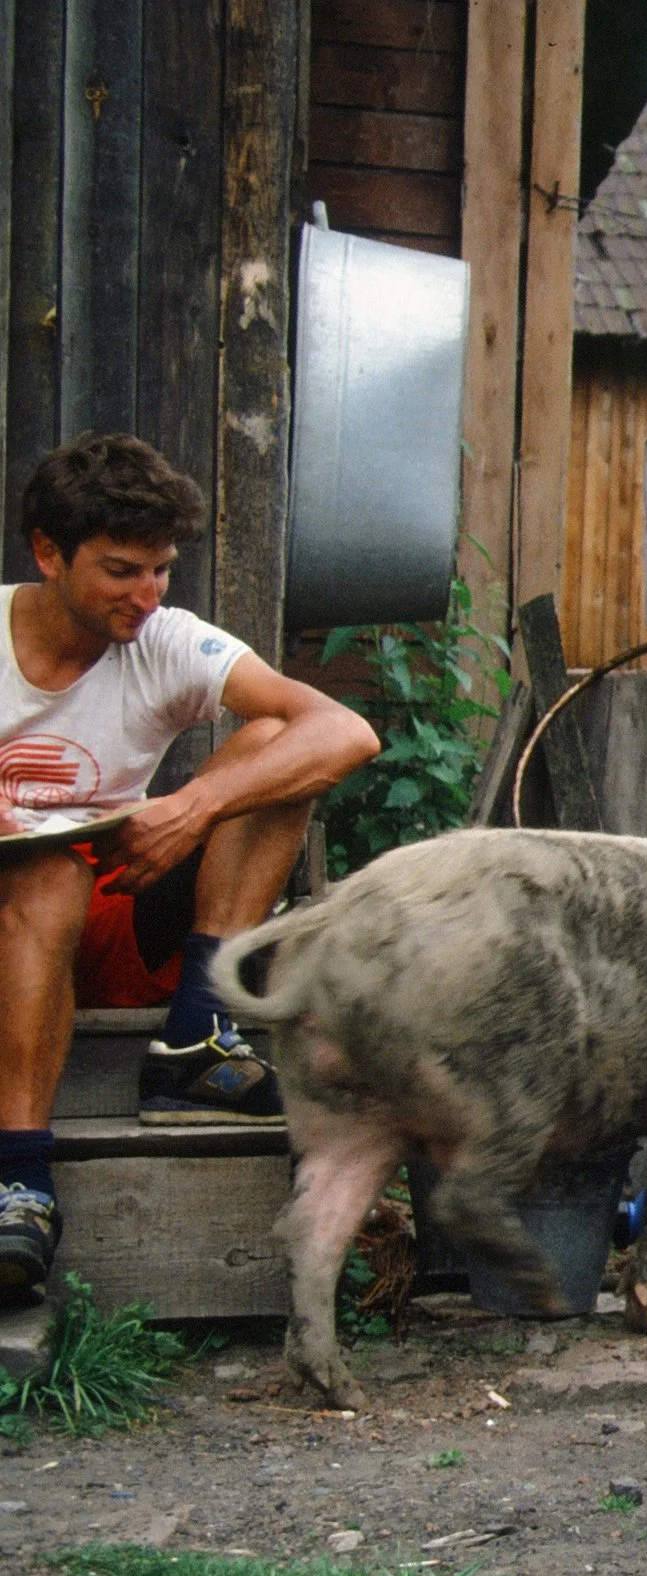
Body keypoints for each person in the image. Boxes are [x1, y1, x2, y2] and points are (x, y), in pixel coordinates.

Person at [0, 433, 380, 1298]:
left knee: (280, 743)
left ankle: (195, 1034)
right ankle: (19, 1177)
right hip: (10, 928)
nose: (148, 594)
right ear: (48, 555)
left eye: (161, 570)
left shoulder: (165, 640)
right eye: (121, 570)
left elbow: (345, 732)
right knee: (46, 871)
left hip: (114, 909)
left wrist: (192, 806)